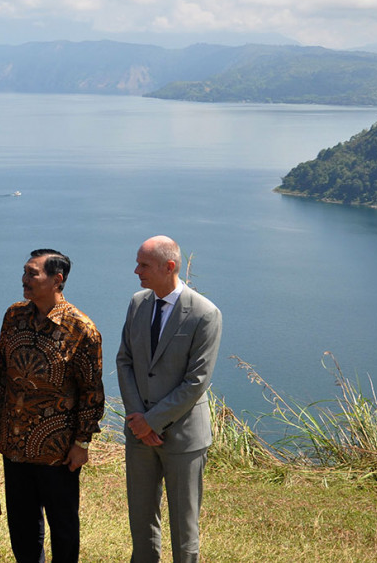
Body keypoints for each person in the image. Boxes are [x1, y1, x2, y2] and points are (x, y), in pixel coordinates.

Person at [0, 249, 104, 563]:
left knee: (63, 525)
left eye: (32, 274)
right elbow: (4, 377)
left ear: (58, 280)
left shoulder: (81, 330)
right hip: (15, 443)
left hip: (57, 449)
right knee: (22, 526)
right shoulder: (14, 316)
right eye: (25, 272)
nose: (24, 280)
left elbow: (92, 394)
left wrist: (81, 443)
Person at [116, 236, 222, 563]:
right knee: (141, 522)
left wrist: (151, 421)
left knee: (183, 526)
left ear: (169, 267)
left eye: (143, 265)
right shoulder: (137, 303)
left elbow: (197, 381)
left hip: (184, 439)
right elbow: (125, 361)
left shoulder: (205, 314)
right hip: (139, 433)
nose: (136, 271)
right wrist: (138, 419)